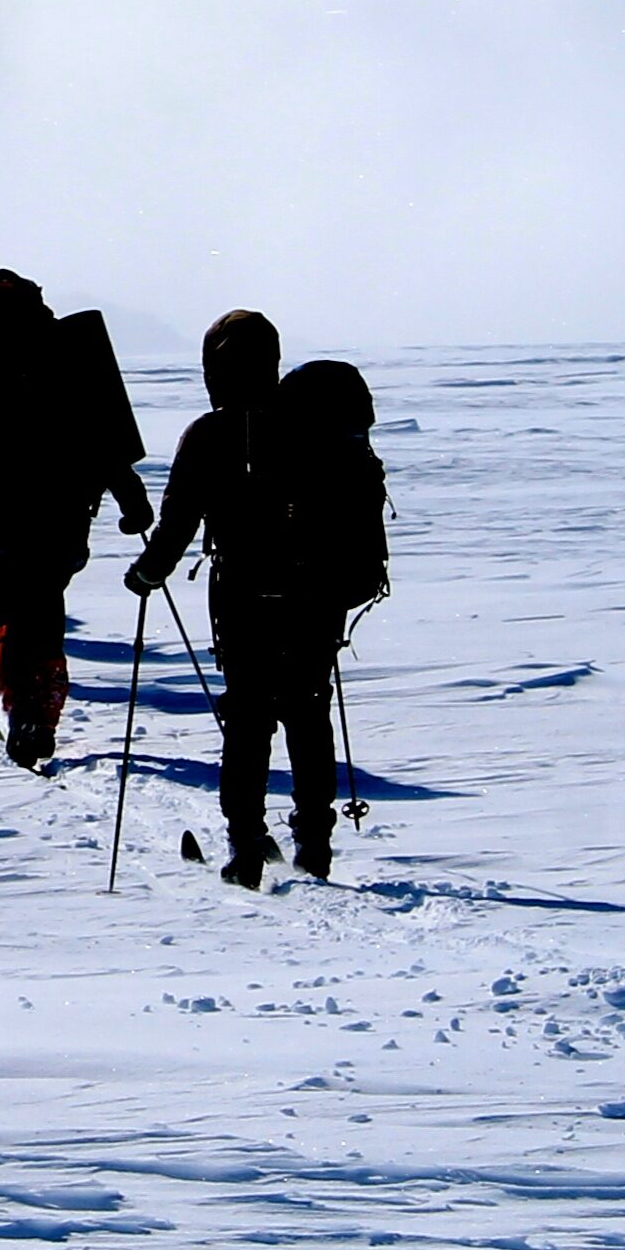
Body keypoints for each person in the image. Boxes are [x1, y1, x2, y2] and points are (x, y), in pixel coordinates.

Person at [127, 314, 391, 885]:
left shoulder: (208, 434)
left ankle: (246, 842)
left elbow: (176, 525)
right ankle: (314, 843)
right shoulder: (313, 424)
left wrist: (148, 574)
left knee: (248, 719)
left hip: (243, 596)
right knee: (307, 710)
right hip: (316, 597)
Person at [0, 269, 153, 770]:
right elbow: (104, 434)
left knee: (13, 602)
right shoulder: (71, 350)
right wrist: (131, 499)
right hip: (65, 503)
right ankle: (39, 703)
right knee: (42, 600)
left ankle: (24, 706)